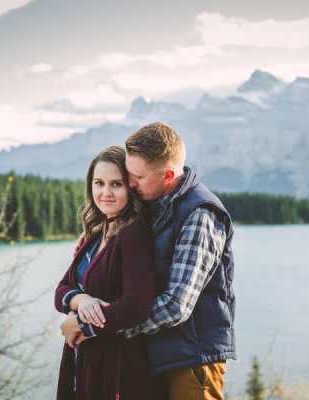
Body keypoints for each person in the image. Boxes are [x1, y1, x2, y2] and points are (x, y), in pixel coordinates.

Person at [124, 121, 236, 400]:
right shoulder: (158, 205)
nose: (129, 183)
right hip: (167, 353)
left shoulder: (199, 214)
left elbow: (177, 305)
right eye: (128, 172)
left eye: (138, 176)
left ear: (168, 175)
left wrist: (111, 326)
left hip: (193, 361)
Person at [54, 146, 155, 400]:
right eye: (99, 183)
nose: (105, 192)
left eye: (116, 184)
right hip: (85, 360)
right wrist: (82, 299)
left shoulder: (133, 234)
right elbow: (61, 290)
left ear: (129, 188)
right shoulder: (96, 232)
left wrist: (80, 323)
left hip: (116, 367)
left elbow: (136, 306)